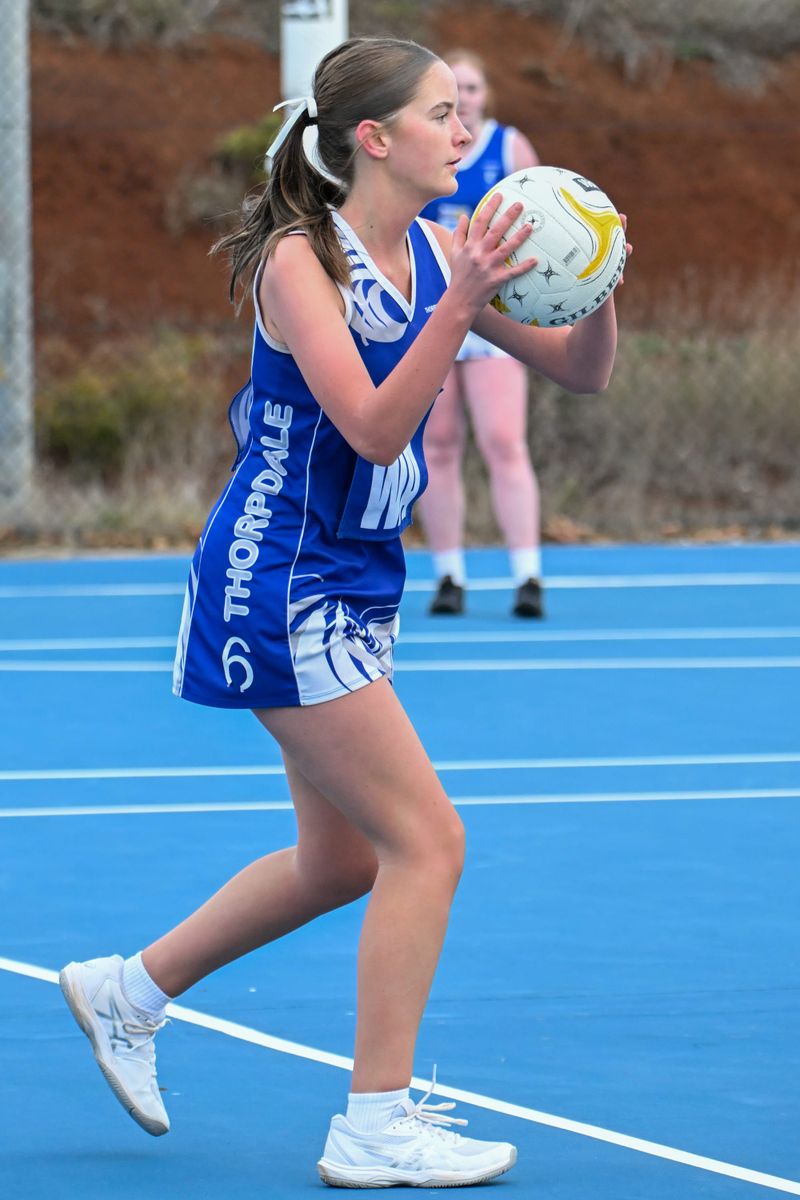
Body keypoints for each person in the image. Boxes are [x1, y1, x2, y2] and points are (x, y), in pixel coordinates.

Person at [58, 37, 624, 1190]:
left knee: (343, 862)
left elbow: (579, 375)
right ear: (374, 139)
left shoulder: (429, 250)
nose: (463, 132)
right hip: (278, 581)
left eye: (462, 113)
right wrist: (458, 306)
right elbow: (370, 425)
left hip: (354, 580)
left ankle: (128, 991)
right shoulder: (296, 266)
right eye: (439, 115)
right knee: (428, 842)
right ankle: (372, 1125)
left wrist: (598, 284)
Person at [418, 50, 544, 618]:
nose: (464, 97)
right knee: (437, 447)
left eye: (471, 87)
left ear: (485, 93)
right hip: (435, 308)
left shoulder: (507, 147)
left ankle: (527, 575)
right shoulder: (423, 149)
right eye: (453, 90)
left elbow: (546, 219)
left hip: (491, 317)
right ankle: (449, 575)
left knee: (503, 441)